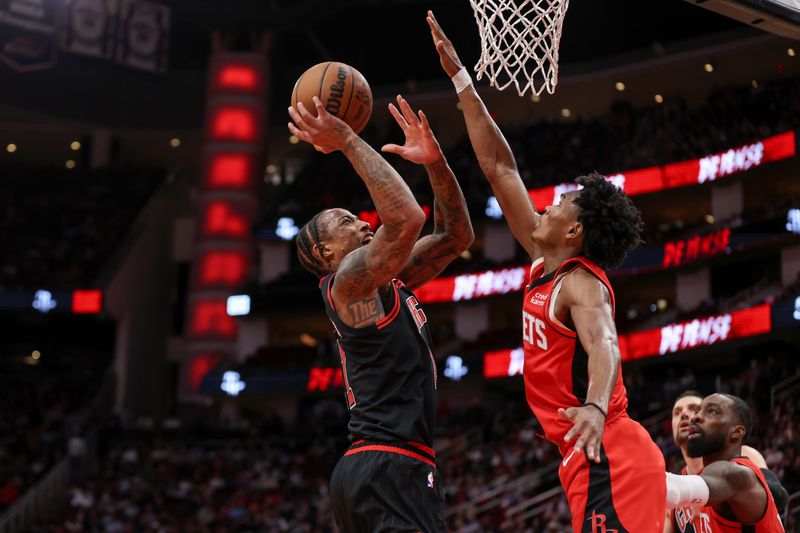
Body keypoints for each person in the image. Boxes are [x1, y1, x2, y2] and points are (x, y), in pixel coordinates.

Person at [427, 11, 666, 532]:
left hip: (610, 447)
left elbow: (605, 344)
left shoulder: (580, 282)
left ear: (575, 233)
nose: (552, 204)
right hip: (582, 450)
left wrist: (596, 409)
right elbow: (500, 168)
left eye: (562, 203)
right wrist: (461, 78)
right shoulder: (543, 263)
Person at [289, 94, 473, 532]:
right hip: (389, 462)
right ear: (324, 251)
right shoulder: (347, 284)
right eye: (347, 222)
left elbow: (454, 235)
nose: (364, 224)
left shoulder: (382, 281)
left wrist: (435, 163)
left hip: (381, 464)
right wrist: (348, 139)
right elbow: (407, 218)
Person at [666, 391, 789, 532]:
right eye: (698, 411)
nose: (695, 417)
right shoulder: (682, 479)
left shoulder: (737, 471)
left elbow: (778, 494)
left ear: (736, 432)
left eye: (711, 411)